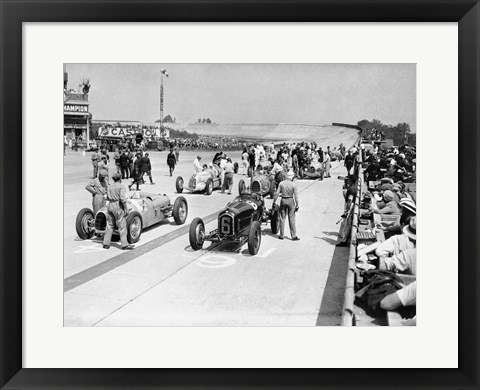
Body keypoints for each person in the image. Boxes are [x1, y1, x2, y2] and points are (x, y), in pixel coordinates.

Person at [103, 173, 134, 250]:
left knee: (109, 225)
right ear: (120, 178)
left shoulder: (109, 186)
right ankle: (124, 244)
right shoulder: (121, 186)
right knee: (122, 226)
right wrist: (126, 208)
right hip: (118, 205)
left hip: (110, 205)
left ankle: (106, 243)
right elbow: (123, 199)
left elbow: (106, 196)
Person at [273, 171, 300, 241]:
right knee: (292, 218)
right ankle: (293, 236)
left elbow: (276, 193)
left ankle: (281, 235)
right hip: (290, 200)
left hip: (283, 200)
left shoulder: (281, 183)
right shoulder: (293, 185)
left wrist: (274, 201)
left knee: (282, 218)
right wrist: (297, 205)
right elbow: (296, 196)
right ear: (291, 177)